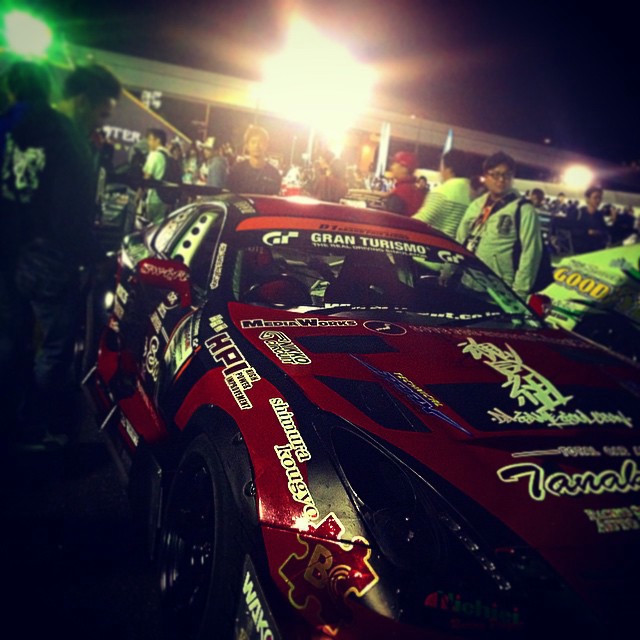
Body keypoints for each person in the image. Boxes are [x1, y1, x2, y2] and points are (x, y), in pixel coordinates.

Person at [1, 61, 120, 448]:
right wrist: (90, 258)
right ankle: (34, 429)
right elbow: (73, 214)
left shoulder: (23, 125)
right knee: (55, 347)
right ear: (85, 101)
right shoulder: (70, 141)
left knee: (13, 340)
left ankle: (11, 421)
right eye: (101, 113)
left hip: (14, 251)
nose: (99, 125)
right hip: (51, 258)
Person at [456, 151, 542, 299]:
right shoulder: (477, 204)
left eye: (507, 175)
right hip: (467, 280)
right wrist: (448, 269)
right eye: (495, 174)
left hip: (499, 290)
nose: (501, 179)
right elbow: (460, 237)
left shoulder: (523, 209)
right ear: (486, 176)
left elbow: (531, 252)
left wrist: (520, 291)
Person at [413, 149, 470, 237]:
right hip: (457, 248)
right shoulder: (474, 195)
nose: (440, 172)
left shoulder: (441, 192)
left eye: (441, 167)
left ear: (449, 169)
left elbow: (419, 221)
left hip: (436, 244)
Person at [227, 125, 281, 195]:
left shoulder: (274, 174)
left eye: (260, 142)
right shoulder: (237, 171)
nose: (257, 146)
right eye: (253, 142)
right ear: (247, 146)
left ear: (266, 145)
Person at [143, 128, 171, 223]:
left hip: (154, 198)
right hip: (166, 198)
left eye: (150, 139)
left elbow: (146, 177)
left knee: (148, 227)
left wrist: (139, 196)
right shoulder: (168, 155)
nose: (148, 142)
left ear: (158, 140)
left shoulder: (154, 155)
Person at [383, 151, 423, 216]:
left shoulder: (400, 193)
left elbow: (389, 221)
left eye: (394, 163)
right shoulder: (417, 190)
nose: (392, 167)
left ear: (405, 168)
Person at [571, 186, 608, 254]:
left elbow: (604, 231)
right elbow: (573, 230)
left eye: (599, 198)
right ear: (588, 199)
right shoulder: (579, 213)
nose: (598, 200)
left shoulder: (599, 215)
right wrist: (587, 232)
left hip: (595, 252)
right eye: (595, 197)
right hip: (580, 251)